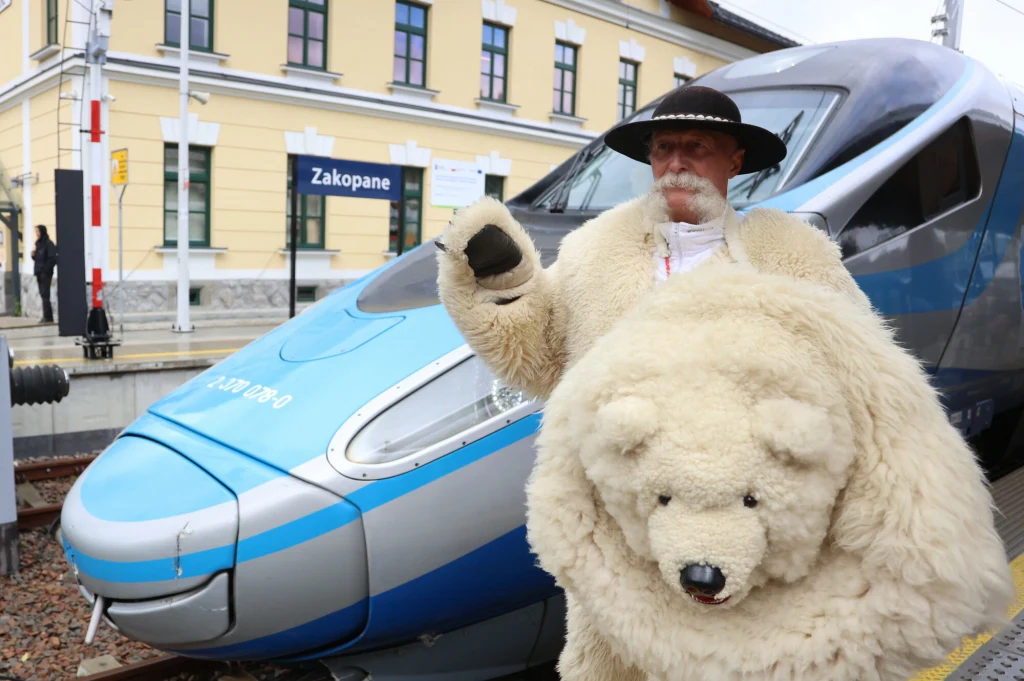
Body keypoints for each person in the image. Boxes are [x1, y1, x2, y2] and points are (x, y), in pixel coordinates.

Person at [435, 85, 872, 400]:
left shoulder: (792, 254)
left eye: (696, 146)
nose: (676, 163)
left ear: (735, 161)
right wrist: (501, 279)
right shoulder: (594, 250)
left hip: (745, 498)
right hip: (621, 494)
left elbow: (863, 377)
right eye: (664, 148)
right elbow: (543, 358)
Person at [31, 224, 57, 323]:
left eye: (38, 232)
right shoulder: (38, 244)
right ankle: (47, 316)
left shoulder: (48, 244)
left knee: (45, 294)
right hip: (39, 272)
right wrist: (33, 256)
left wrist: (45, 269)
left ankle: (48, 317)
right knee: (43, 295)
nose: (37, 234)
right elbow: (39, 259)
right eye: (36, 232)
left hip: (45, 273)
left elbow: (52, 259)